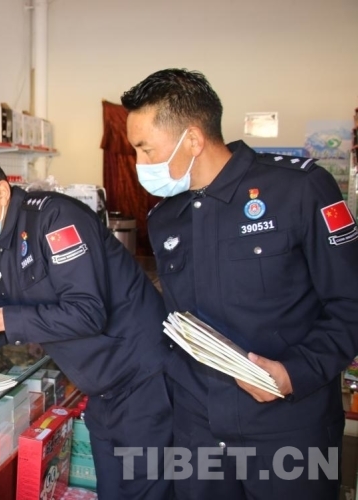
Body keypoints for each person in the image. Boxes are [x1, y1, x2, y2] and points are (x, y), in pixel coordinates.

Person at [121, 68, 358, 499]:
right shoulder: (165, 217)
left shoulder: (299, 189)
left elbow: (351, 303)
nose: (139, 163)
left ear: (192, 139)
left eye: (145, 148)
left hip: (289, 426)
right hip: (198, 429)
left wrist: (294, 373)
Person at [0, 146, 173, 499]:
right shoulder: (0, 248)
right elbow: (0, 326)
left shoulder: (55, 218)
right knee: (112, 489)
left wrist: (1, 318)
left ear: (1, 192)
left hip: (141, 378)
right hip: (102, 387)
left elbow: (87, 312)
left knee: (145, 492)